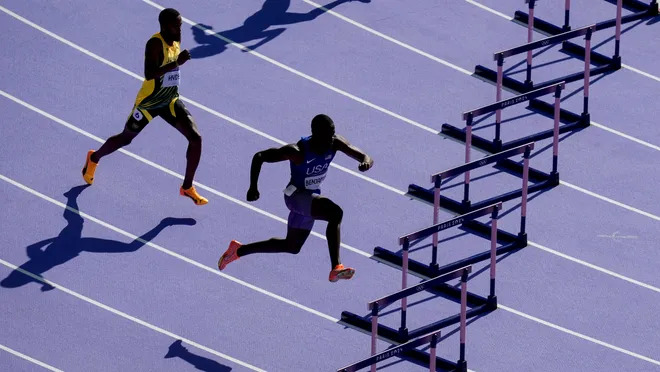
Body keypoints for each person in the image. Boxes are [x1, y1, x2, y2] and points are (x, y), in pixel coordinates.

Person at [217, 114, 373, 282]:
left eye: (332, 134)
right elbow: (259, 157)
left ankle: (238, 250)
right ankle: (336, 267)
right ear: (316, 134)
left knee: (292, 246)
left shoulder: (334, 143)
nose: (331, 139)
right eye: (327, 135)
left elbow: (365, 156)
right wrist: (253, 187)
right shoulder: (297, 152)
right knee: (335, 213)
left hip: (311, 198)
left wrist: (365, 161)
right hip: (296, 197)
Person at [81, 8, 207, 205]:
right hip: (149, 102)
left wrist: (176, 61)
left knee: (196, 139)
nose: (180, 28)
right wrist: (177, 63)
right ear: (165, 26)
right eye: (177, 25)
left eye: (181, 24)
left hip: (170, 100)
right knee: (125, 139)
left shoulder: (176, 37)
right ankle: (94, 157)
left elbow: (173, 59)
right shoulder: (155, 43)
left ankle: (187, 187)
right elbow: (149, 74)